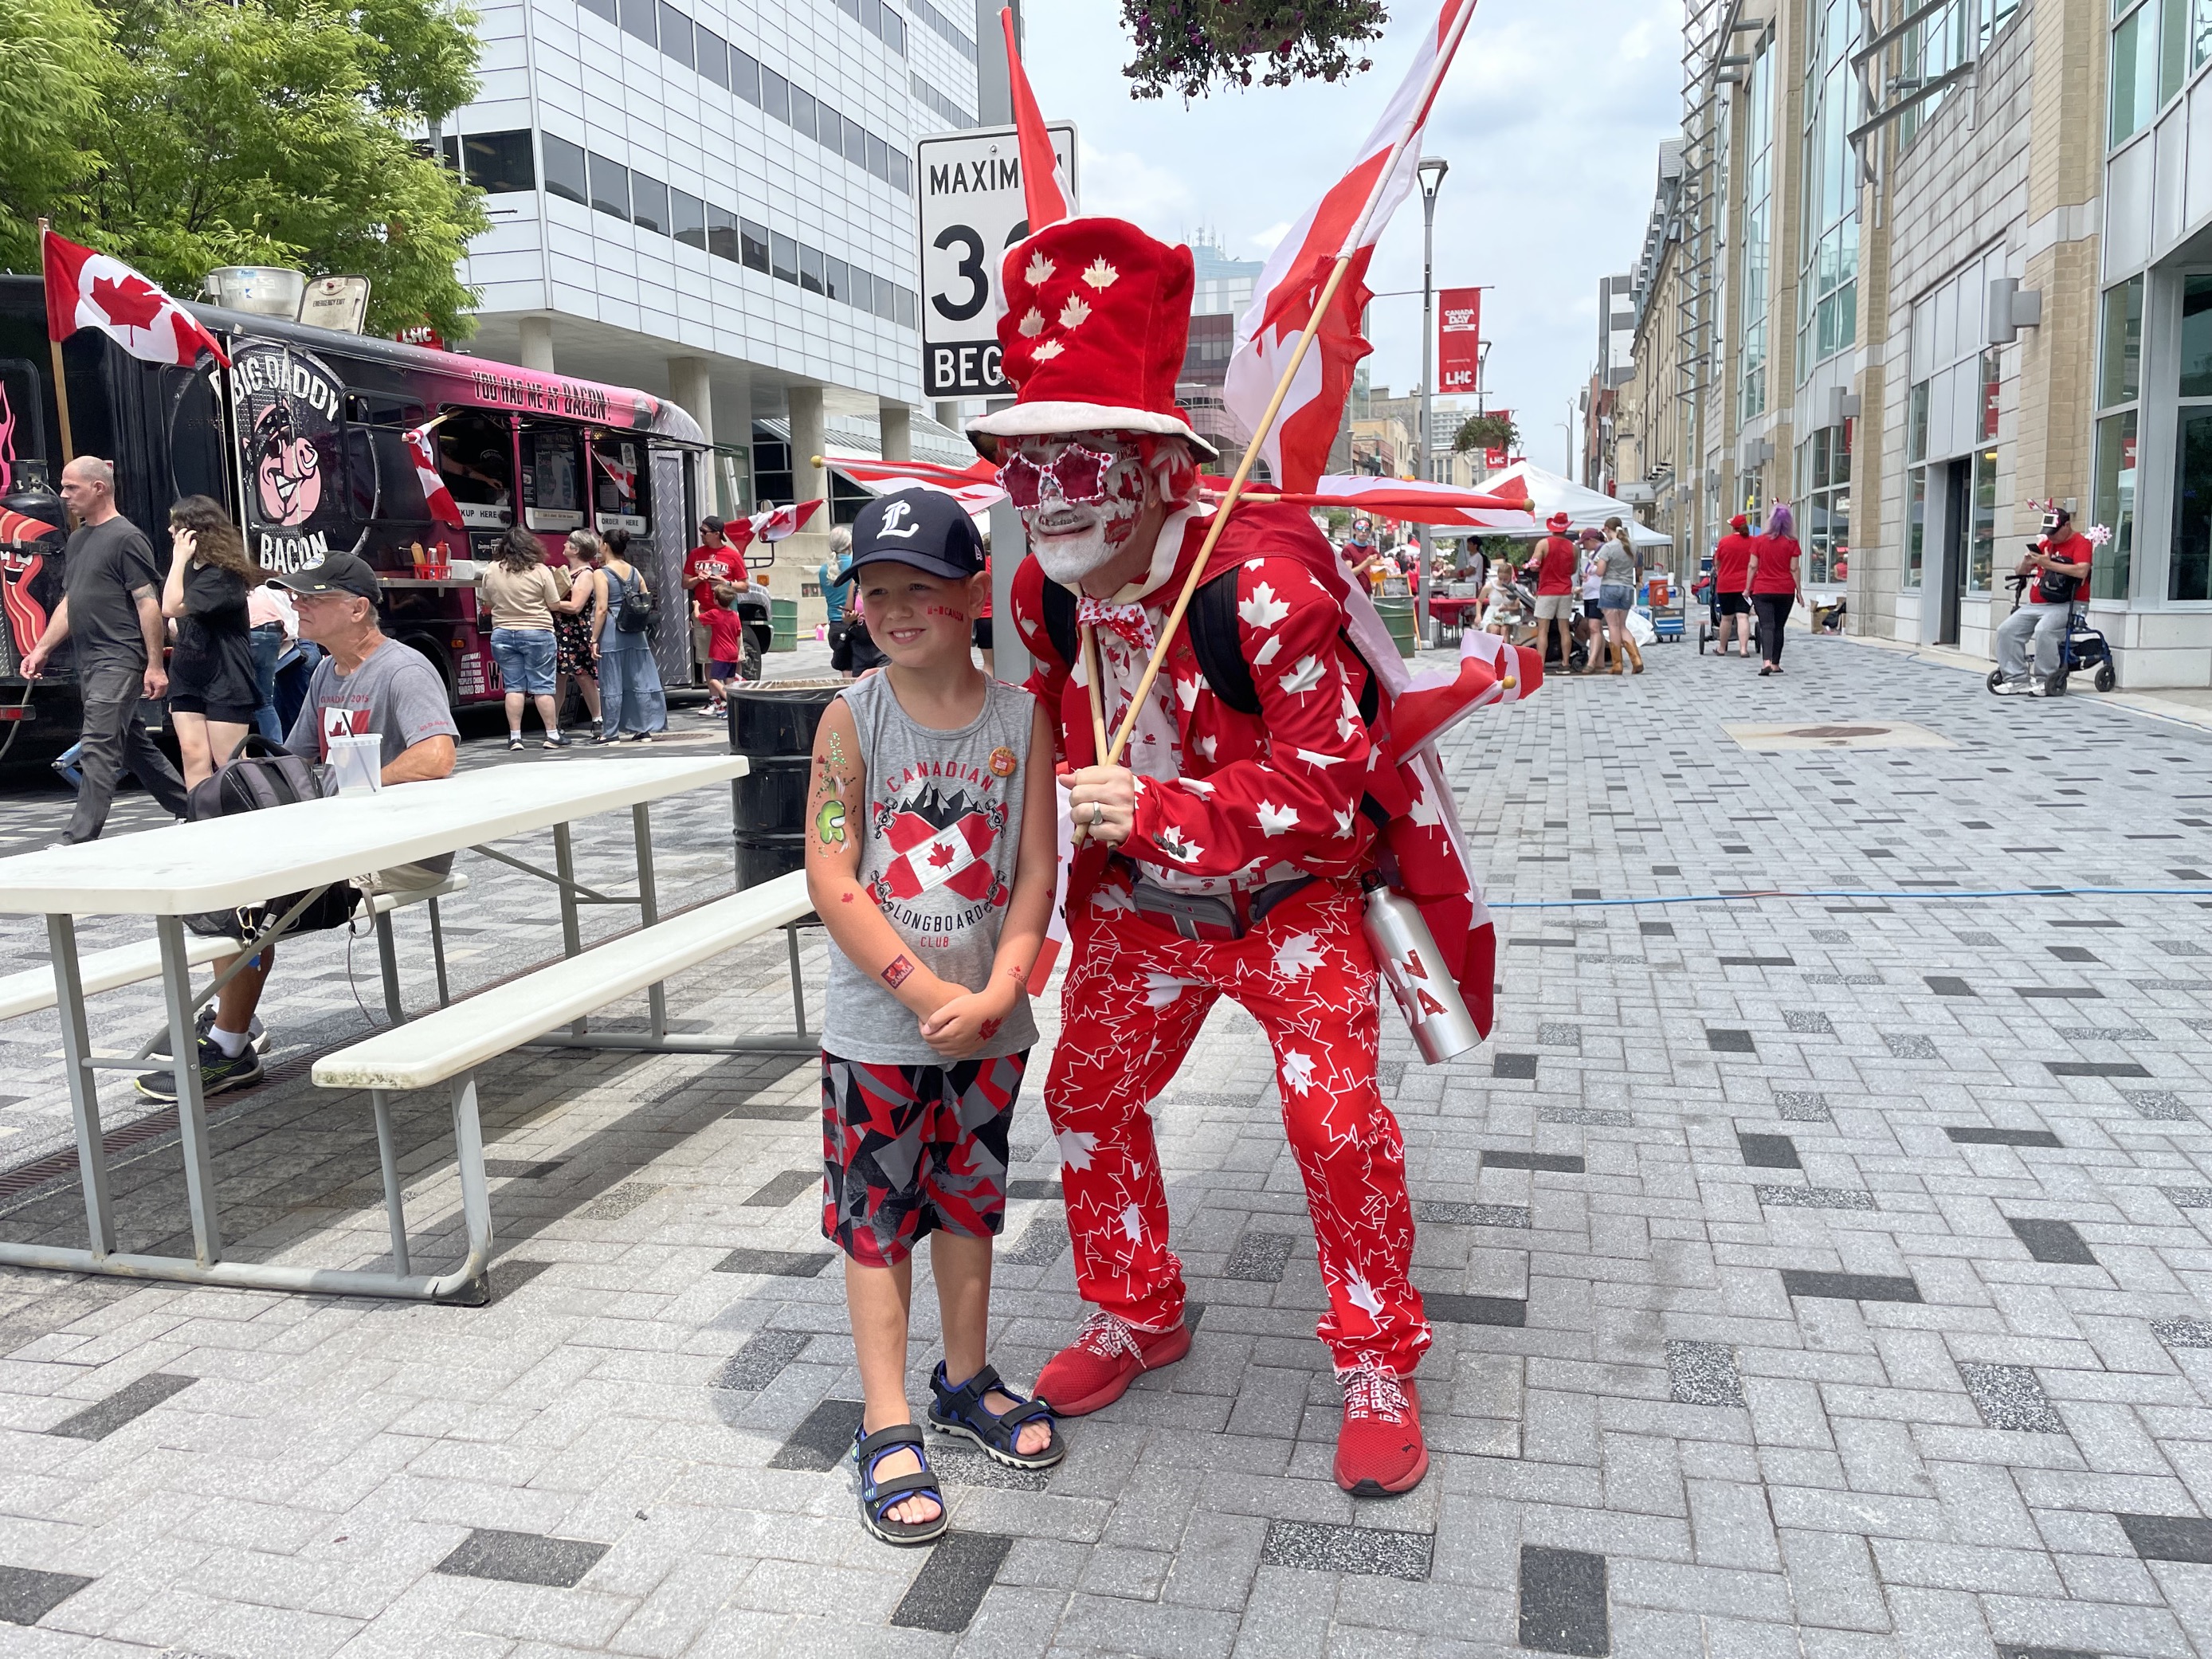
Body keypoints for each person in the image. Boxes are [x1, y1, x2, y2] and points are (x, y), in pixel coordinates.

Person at [985, 215, 1501, 1498]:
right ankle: (1136, 1308)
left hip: (1288, 902)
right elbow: (1047, 728)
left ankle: (1378, 1357)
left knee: (1333, 1121)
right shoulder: (1049, 592)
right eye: (1024, 469)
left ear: (1161, 467)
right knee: (1087, 1099)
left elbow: (1324, 789)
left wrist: (1154, 809)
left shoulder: (1259, 584)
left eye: (1079, 463)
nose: (1050, 497)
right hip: (1145, 915)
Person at [805, 489, 1062, 1544]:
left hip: (989, 1031)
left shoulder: (1024, 716)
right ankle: (888, 1414)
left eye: (922, 587)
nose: (898, 607)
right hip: (879, 1033)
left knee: (967, 1207)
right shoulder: (849, 717)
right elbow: (832, 870)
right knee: (876, 1222)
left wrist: (1002, 989)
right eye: (878, 590)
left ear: (972, 591)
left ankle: (964, 1378)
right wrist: (923, 989)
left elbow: (1036, 870)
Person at [134, 551, 458, 1103]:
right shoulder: (328, 670)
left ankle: (230, 1046)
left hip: (402, 851)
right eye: (297, 596)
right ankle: (231, 1014)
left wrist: (356, 785)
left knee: (248, 898)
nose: (298, 605)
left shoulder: (402, 669)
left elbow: (437, 757)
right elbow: (297, 758)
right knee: (236, 877)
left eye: (313, 598)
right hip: (342, 841)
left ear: (357, 609)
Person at [20, 457, 190, 844]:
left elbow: (148, 602)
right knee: (131, 744)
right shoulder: (78, 540)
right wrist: (41, 648)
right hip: (91, 660)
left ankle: (77, 838)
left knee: (98, 745)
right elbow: (70, 602)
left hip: (120, 658)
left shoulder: (126, 538)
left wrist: (154, 664)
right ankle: (190, 809)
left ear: (99, 487)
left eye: (71, 487)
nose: (63, 496)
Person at [160, 496, 261, 786]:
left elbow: (170, 607)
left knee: (228, 760)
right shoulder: (190, 571)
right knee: (193, 754)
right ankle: (200, 818)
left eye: (175, 524)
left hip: (225, 675)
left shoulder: (223, 576)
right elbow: (173, 618)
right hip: (189, 672)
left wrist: (178, 560)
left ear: (194, 531)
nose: (170, 531)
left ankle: (250, 815)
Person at [481, 525, 569, 751]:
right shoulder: (540, 570)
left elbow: (487, 603)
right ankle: (552, 735)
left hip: (502, 634)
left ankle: (515, 737)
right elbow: (554, 604)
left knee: (514, 687)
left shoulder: (491, 570)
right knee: (542, 687)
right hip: (537, 632)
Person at [1993, 506, 2094, 696]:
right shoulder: (2047, 543)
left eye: (2055, 533)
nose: (2051, 537)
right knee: (2006, 630)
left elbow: (2082, 570)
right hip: (2037, 605)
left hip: (2068, 604)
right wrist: (2027, 562)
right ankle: (2016, 679)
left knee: (2044, 630)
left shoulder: (2081, 543)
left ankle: (2046, 679)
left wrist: (2048, 564)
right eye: (2048, 533)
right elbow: (2021, 572)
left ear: (2067, 525)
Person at [592, 527, 666, 741]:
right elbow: (645, 597)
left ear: (606, 545)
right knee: (639, 680)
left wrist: (594, 638)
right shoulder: (634, 571)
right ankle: (643, 729)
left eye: (600, 542)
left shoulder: (601, 573)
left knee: (612, 681)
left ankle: (611, 731)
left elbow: (601, 609)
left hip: (612, 631)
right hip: (635, 631)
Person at [552, 531, 604, 739]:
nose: (564, 544)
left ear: (576, 549)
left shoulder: (586, 574)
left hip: (575, 630)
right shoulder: (568, 570)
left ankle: (597, 719)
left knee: (583, 676)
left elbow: (575, 606)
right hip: (559, 629)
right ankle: (553, 723)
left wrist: (551, 604)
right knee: (558, 678)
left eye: (569, 543)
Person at [1744, 504, 1803, 677]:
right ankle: (1776, 663)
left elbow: (1753, 565)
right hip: (1785, 590)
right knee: (1779, 627)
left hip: (1762, 590)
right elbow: (1794, 569)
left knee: (1767, 626)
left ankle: (1766, 661)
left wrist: (1748, 588)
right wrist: (1798, 591)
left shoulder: (1759, 541)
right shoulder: (1792, 543)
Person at [684, 516, 742, 677]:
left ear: (716, 534)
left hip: (727, 613)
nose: (701, 534)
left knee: (734, 657)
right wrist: (697, 578)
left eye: (704, 532)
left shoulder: (732, 555)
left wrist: (726, 583)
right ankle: (715, 698)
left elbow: (745, 586)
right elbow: (685, 583)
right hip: (704, 613)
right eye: (701, 531)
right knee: (708, 659)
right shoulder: (695, 554)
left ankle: (734, 695)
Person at [1524, 512, 1579, 671]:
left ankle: (1540, 664)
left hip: (1547, 590)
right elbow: (1573, 570)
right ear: (1566, 529)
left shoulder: (1543, 544)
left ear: (1552, 527)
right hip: (1565, 590)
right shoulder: (1573, 548)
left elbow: (1534, 565)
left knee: (1543, 630)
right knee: (1564, 629)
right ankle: (1566, 663)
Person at [246, 579, 298, 743]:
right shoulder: (263, 595)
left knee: (234, 700)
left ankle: (235, 757)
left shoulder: (228, 593)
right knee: (266, 701)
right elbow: (285, 629)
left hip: (251, 631)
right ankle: (277, 754)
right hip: (273, 633)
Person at [1598, 519, 1644, 675]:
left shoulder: (1608, 547)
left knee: (1613, 627)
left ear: (1607, 529)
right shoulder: (1633, 545)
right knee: (1623, 626)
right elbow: (1636, 565)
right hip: (1627, 588)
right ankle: (1636, 659)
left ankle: (1617, 665)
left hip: (1610, 587)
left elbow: (1600, 571)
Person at [700, 581, 749, 716]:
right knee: (729, 680)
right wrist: (737, 652)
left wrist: (696, 607)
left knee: (713, 679)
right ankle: (730, 709)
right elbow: (738, 636)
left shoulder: (715, 613)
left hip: (720, 653)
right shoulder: (734, 615)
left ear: (716, 600)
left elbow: (699, 618)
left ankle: (729, 700)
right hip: (733, 652)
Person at [1712, 513, 1755, 659]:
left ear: (1733, 527)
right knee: (1743, 616)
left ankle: (1722, 648)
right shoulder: (1753, 542)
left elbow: (1717, 562)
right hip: (1745, 586)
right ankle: (1743, 649)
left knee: (1726, 618)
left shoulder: (1725, 542)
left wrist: (1720, 570)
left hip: (1726, 585)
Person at [1574, 528, 1606, 674]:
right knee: (1597, 628)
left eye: (1584, 543)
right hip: (1590, 593)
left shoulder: (1603, 552)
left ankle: (1592, 662)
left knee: (1594, 627)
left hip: (1598, 594)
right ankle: (1599, 661)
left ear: (1592, 540)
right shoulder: (1594, 554)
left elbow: (1599, 572)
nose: (1583, 546)